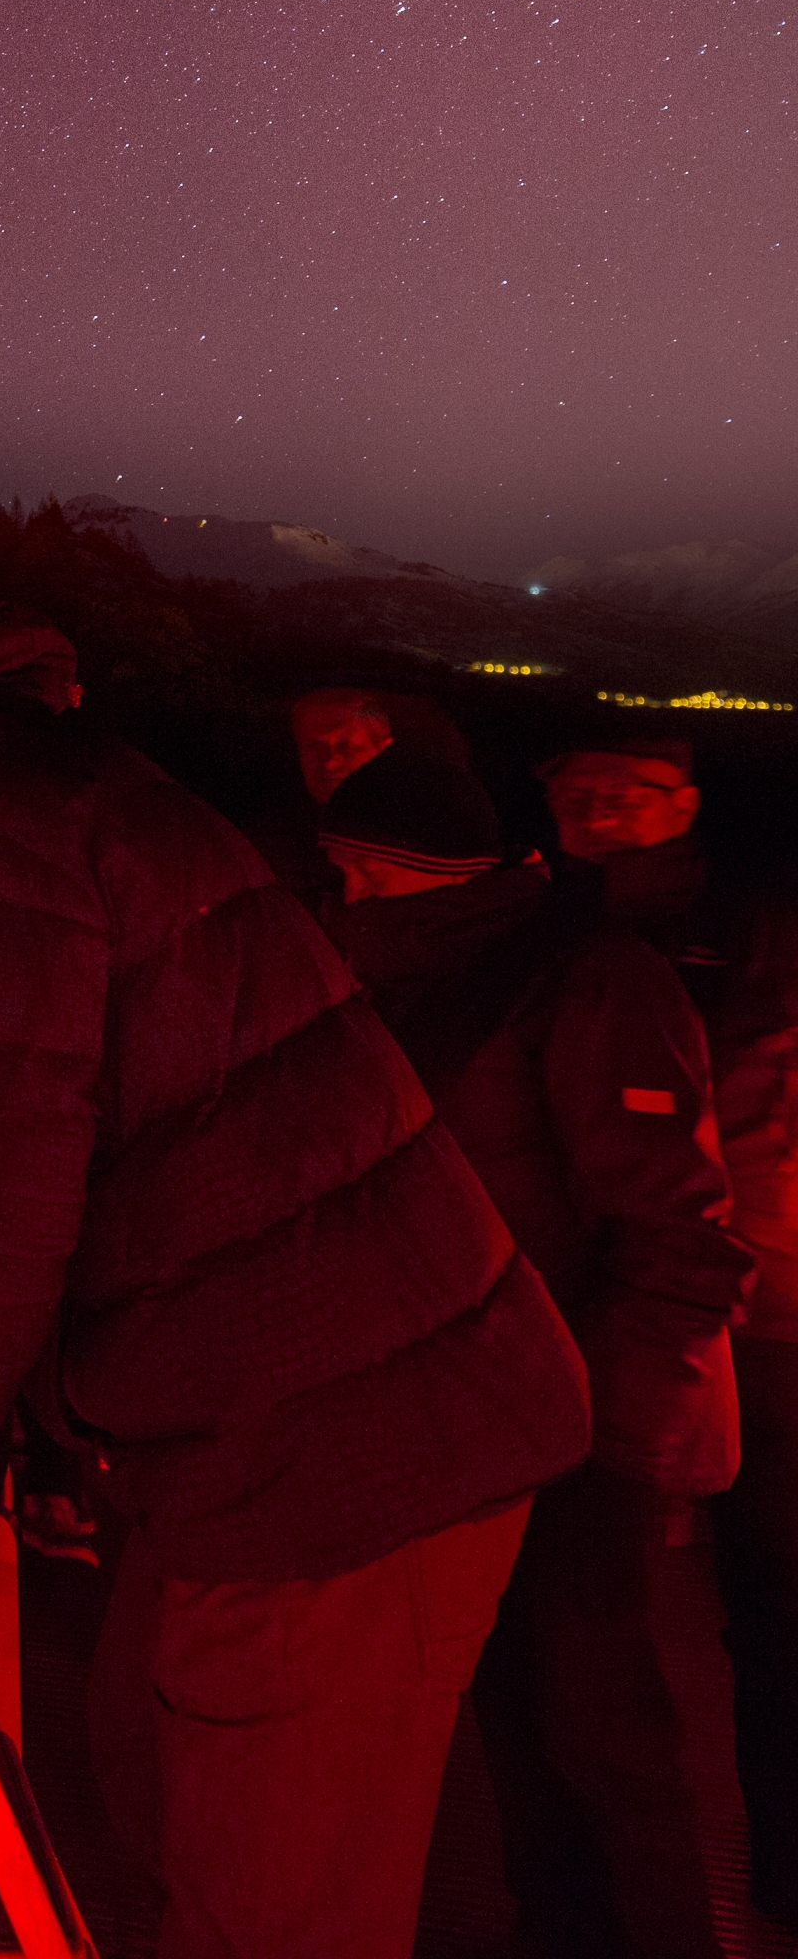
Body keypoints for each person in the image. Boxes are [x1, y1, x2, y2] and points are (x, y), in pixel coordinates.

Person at [0, 577, 591, 1959]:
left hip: (341, 1456)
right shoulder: (2, 794)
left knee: (272, 1917)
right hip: (292, 1417)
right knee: (147, 1774)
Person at [323, 743, 751, 1959]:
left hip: (574, 1425)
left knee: (604, 1735)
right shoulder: (412, 982)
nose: (343, 902)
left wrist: (616, 1442)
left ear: (439, 875)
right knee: (518, 1722)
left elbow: (677, 1235)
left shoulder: (585, 982)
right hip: (464, 1424)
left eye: (366, 878)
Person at [539, 726, 798, 1933]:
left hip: (753, 1309)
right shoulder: (547, 924)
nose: (599, 809)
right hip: (612, 1303)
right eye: (580, 791)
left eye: (628, 793)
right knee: (609, 1616)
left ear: (685, 804)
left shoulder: (738, 930)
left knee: (768, 1601)